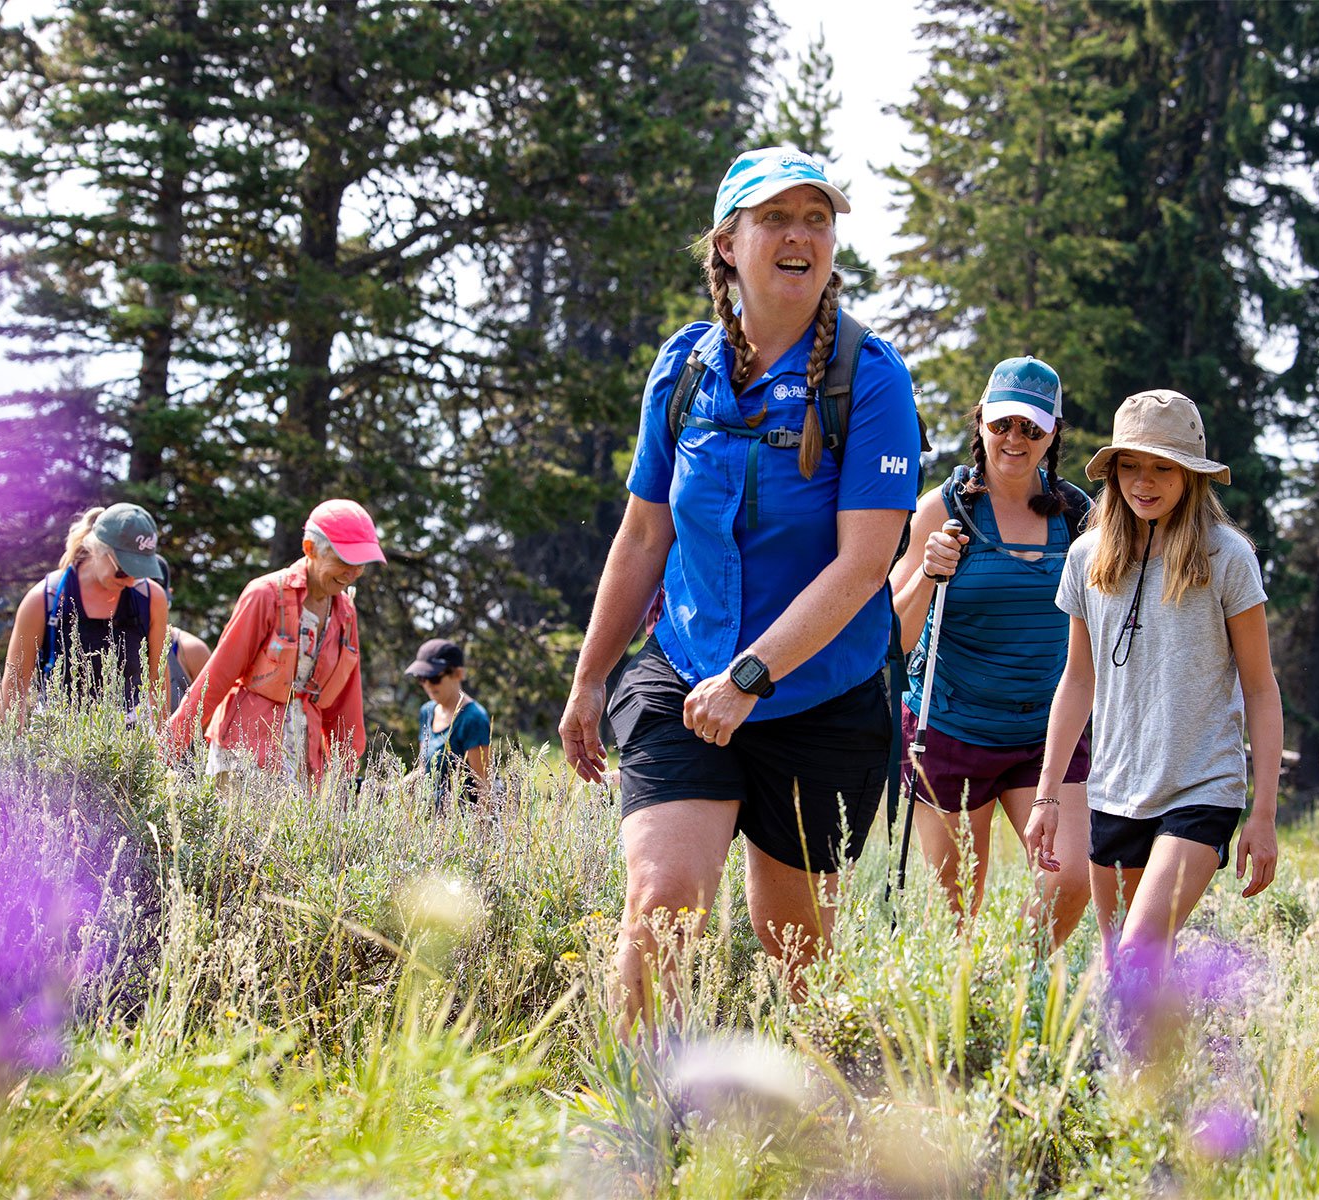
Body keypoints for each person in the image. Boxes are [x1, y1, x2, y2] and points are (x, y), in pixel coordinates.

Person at [558, 146, 921, 1024]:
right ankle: (636, 1126)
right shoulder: (683, 369)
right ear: (728, 243)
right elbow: (645, 533)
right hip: (685, 675)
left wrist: (753, 677)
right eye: (775, 219)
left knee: (793, 952)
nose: (799, 237)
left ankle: (800, 1128)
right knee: (662, 902)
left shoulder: (872, 382)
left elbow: (864, 565)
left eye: (817, 220)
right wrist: (591, 675)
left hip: (817, 700)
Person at [1023, 390, 1280, 975]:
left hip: (1200, 786)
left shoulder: (1227, 557)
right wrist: (1048, 796)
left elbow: (1262, 690)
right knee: (1126, 973)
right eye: (1131, 465)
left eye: (1163, 466)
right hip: (1112, 789)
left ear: (1191, 475)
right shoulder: (1088, 556)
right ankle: (1155, 1067)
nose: (1145, 481)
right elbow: (1077, 680)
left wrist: (1262, 815)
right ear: (1112, 472)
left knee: (1138, 955)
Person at [888, 357, 1093, 939]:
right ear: (981, 423)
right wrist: (929, 574)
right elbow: (896, 640)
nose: (1015, 439)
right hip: (949, 729)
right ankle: (966, 1009)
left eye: (1031, 428)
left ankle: (1013, 992)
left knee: (1071, 877)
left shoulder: (1079, 517)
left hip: (1042, 736)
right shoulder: (944, 509)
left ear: (1052, 434)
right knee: (955, 915)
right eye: (1003, 423)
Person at [166, 499, 383, 786]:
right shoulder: (266, 594)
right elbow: (218, 674)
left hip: (304, 760)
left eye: (360, 565)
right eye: (344, 560)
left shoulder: (346, 612)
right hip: (244, 752)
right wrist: (168, 746)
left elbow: (347, 701)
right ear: (310, 549)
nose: (353, 573)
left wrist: (344, 775)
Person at [0, 503, 169, 728]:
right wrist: (14, 759)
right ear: (98, 548)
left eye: (139, 572)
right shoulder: (45, 598)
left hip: (129, 748)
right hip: (58, 748)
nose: (130, 581)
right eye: (124, 570)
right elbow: (14, 688)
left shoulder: (150, 599)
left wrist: (163, 753)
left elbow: (159, 687)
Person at [404, 638, 491, 806]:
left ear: (458, 674)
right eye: (422, 678)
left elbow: (484, 787)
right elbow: (424, 770)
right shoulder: (427, 711)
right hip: (432, 820)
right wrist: (385, 791)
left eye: (434, 677)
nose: (427, 684)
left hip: (462, 823)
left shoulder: (473, 718)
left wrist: (481, 830)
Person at [153, 555, 212, 715]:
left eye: (154, 592)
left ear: (168, 595)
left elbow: (207, 722)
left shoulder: (190, 651)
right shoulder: (108, 646)